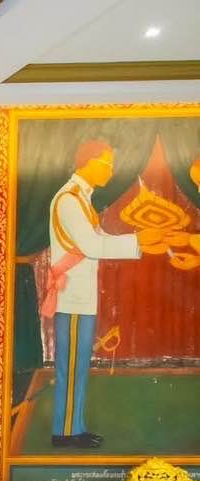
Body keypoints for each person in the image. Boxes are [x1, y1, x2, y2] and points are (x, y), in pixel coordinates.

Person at [41, 140, 172, 448]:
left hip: (81, 297)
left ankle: (74, 427)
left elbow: (98, 239)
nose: (111, 171)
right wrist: (139, 240)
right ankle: (65, 433)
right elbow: (92, 246)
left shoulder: (82, 199)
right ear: (90, 161)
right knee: (71, 366)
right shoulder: (69, 200)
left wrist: (145, 244)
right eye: (108, 164)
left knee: (78, 366)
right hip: (72, 299)